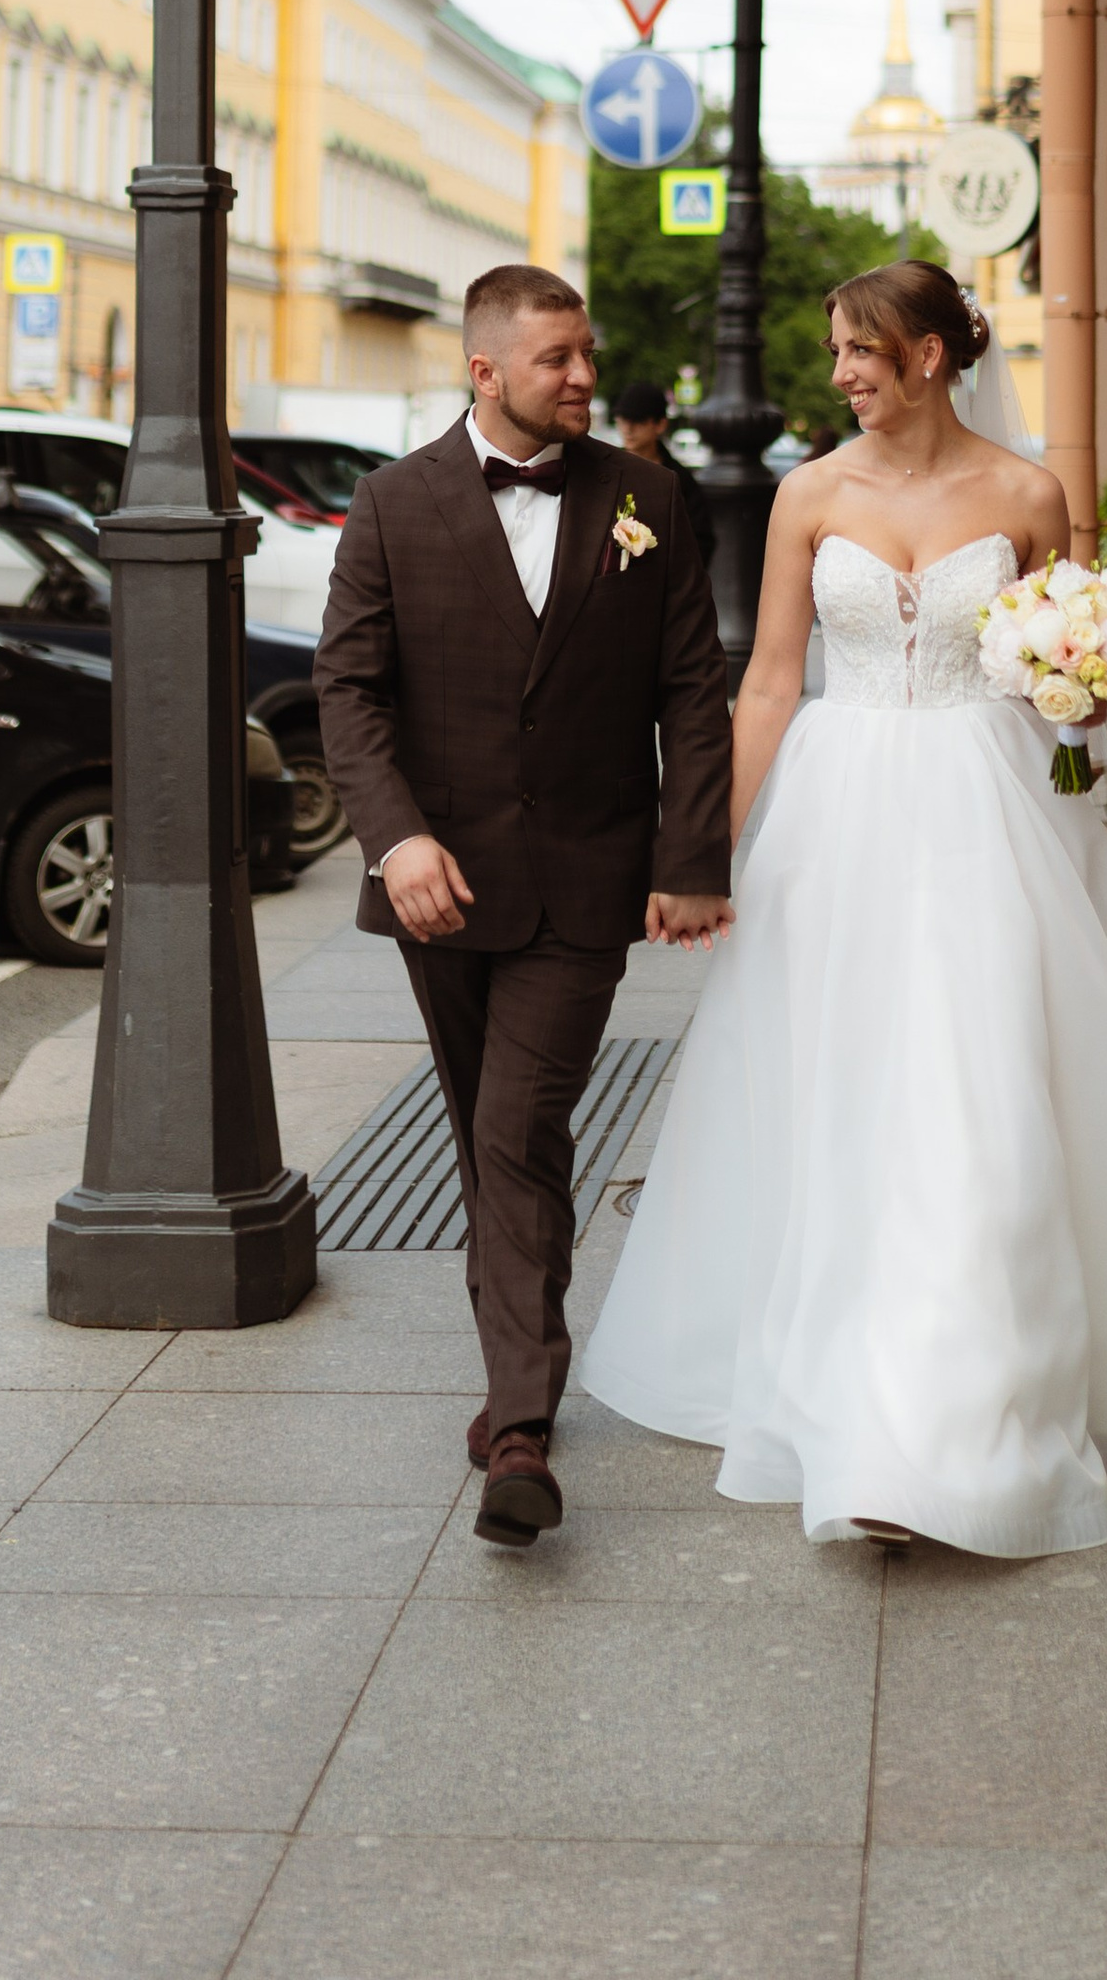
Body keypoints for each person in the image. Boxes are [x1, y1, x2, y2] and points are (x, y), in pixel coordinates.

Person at [579, 257, 1107, 1559]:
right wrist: (698, 852)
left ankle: (969, 1424)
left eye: (864, 351)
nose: (845, 375)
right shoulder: (809, 493)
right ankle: (851, 1405)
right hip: (838, 819)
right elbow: (766, 688)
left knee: (980, 1102)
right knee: (848, 1094)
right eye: (834, 355)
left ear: (931, 355)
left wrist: (1085, 674)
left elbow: (1062, 704)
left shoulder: (1029, 495)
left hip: (991, 819)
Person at [313, 265, 732, 1550]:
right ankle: (520, 1367)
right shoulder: (391, 504)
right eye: (557, 359)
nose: (585, 378)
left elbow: (690, 694)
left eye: (586, 354)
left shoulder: (646, 498)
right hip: (443, 886)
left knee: (516, 1124)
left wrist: (691, 857)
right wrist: (397, 841)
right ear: (484, 370)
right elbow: (349, 687)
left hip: (584, 880)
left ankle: (518, 1428)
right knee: (492, 1138)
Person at [608, 377, 715, 563]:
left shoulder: (679, 480)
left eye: (638, 421)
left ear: (661, 425)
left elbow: (701, 540)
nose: (628, 428)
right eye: (622, 420)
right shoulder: (606, 471)